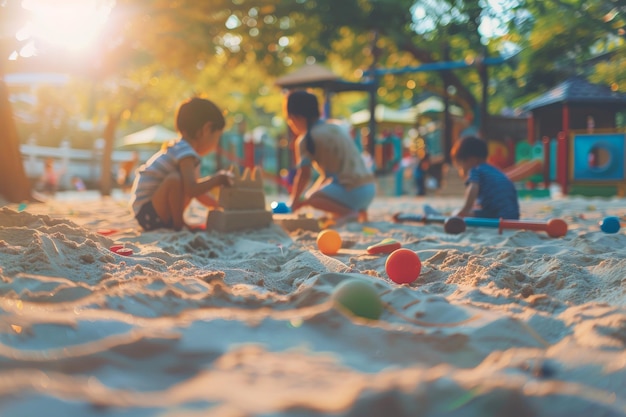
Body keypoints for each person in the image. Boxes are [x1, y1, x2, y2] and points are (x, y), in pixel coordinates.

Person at [129, 97, 234, 231]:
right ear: (207, 129)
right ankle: (178, 225)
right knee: (175, 179)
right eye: (217, 138)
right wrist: (217, 180)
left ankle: (176, 223)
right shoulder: (185, 152)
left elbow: (197, 192)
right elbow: (192, 189)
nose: (215, 145)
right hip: (148, 212)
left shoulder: (183, 150)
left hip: (150, 213)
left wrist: (218, 205)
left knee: (181, 180)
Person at [285, 90, 376, 224]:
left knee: (313, 198)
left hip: (354, 192)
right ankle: (360, 212)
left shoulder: (305, 139)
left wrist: (294, 202)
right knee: (314, 195)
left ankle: (349, 213)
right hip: (370, 189)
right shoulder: (336, 126)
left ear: (295, 117)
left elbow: (304, 175)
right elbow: (329, 177)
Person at [450, 135, 520, 219]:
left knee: (456, 214)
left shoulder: (475, 169)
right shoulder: (495, 170)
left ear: (472, 160)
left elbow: (473, 187)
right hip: (513, 216)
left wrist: (465, 210)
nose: (460, 171)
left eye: (460, 166)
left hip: (495, 216)